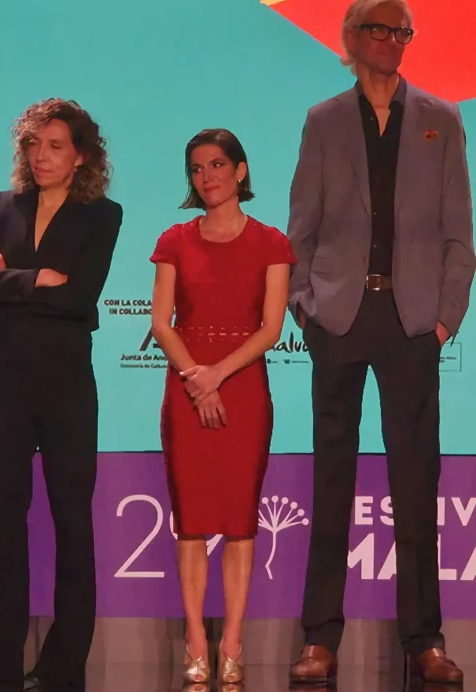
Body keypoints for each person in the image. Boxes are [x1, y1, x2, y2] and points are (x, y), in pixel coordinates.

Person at [287, 0, 475, 688]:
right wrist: (305, 308)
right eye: (381, 29)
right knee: (331, 480)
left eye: (404, 32)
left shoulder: (440, 119)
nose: (394, 41)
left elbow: (459, 232)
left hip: (411, 321)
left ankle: (424, 640)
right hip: (338, 317)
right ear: (351, 37)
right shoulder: (324, 120)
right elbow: (302, 226)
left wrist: (445, 318)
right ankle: (319, 637)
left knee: (416, 482)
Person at [0, 100, 122, 692]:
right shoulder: (5, 206)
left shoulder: (102, 215)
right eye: (33, 144)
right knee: (4, 517)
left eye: (55, 146)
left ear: (80, 156)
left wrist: (6, 277)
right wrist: (34, 279)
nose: (41, 156)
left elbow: (79, 297)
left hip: (66, 381)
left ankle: (63, 665)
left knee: (72, 520)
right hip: (4, 375)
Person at [149, 128, 294, 686]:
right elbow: (162, 322)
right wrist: (197, 378)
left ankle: (232, 640)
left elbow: (271, 328)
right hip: (187, 388)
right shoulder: (174, 240)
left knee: (239, 522)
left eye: (216, 165)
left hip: (243, 391)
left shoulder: (272, 243)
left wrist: (217, 376)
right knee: (189, 524)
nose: (206, 176)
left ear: (240, 170)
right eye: (196, 168)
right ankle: (195, 638)